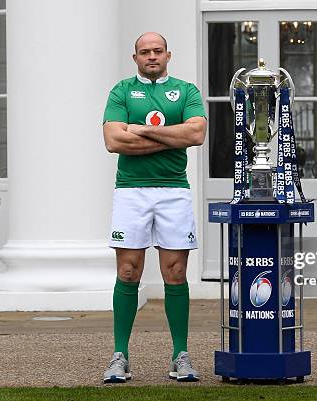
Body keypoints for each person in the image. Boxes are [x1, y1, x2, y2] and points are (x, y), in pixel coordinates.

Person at [101, 32, 207, 383]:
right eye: (144, 52)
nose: (151, 56)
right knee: (128, 271)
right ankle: (120, 356)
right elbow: (113, 140)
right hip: (131, 192)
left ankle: (180, 354)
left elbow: (196, 135)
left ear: (168, 55)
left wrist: (140, 131)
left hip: (174, 191)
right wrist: (168, 138)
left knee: (174, 272)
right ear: (135, 58)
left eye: (157, 51)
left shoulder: (187, 91)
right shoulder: (121, 91)